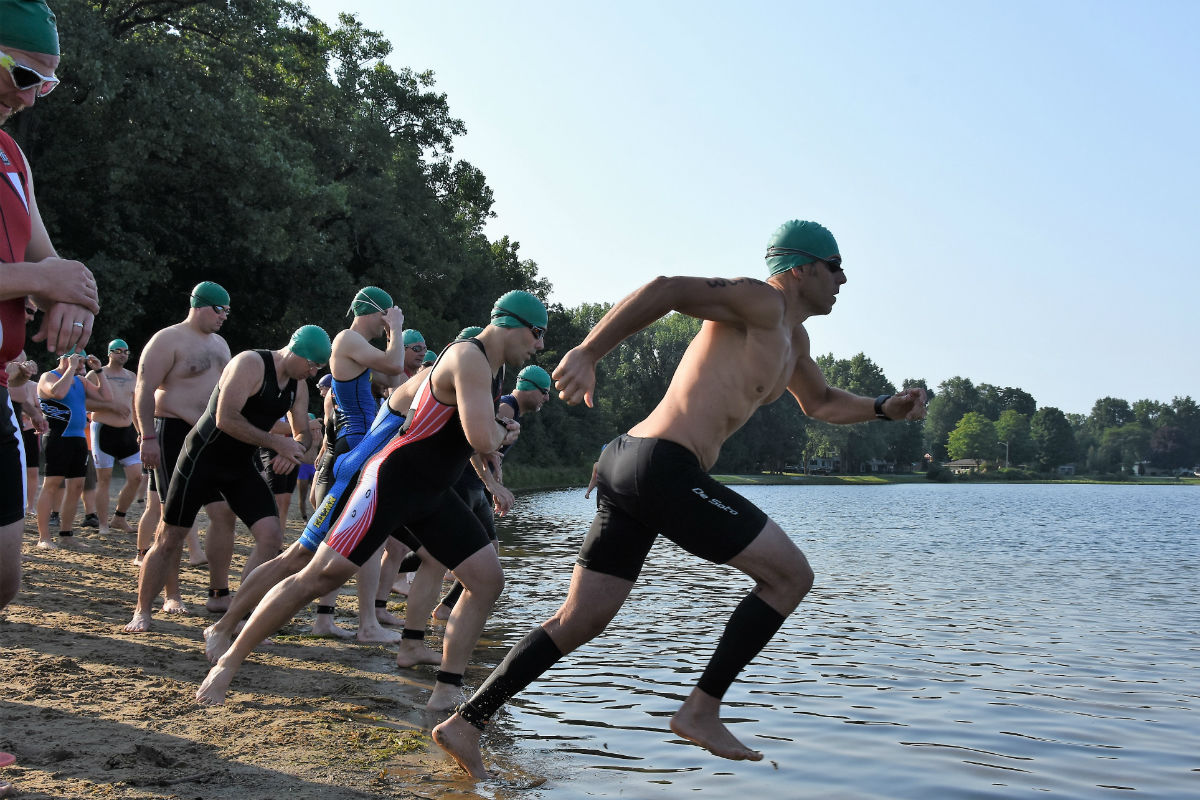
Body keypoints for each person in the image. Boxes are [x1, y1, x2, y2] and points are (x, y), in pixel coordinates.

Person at [433, 220, 929, 779]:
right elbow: (668, 288)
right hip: (661, 467)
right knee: (790, 576)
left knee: (579, 618)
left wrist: (886, 407)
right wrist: (589, 350)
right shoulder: (760, 301)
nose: (843, 280)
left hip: (634, 462)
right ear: (802, 267)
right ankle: (701, 709)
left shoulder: (794, 340)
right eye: (836, 267)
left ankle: (466, 722)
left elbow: (819, 403)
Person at [197, 291, 547, 709]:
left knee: (488, 580)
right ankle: (228, 660)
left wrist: (491, 447)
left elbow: (469, 436)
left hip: (433, 492)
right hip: (387, 483)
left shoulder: (494, 370)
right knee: (315, 575)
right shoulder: (466, 357)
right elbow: (481, 435)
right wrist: (501, 433)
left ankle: (446, 692)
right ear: (511, 323)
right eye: (538, 333)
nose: (539, 346)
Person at [124, 325, 328, 632]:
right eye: (311, 366)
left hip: (239, 465)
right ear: (296, 351)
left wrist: (293, 450)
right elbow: (226, 417)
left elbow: (302, 431)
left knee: (271, 537)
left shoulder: (296, 385)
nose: (312, 374)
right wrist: (275, 443)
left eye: (318, 369)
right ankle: (142, 611)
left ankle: (239, 616)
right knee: (170, 537)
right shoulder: (250, 363)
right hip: (201, 458)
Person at [1, 0, 100, 626]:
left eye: (49, 82)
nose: (35, 98)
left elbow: (51, 261)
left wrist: (67, 293)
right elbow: (42, 270)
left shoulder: (11, 156)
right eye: (26, 77)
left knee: (4, 579)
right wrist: (44, 279)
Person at [131, 281, 237, 615]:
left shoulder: (220, 344)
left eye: (228, 312)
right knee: (174, 520)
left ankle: (219, 592)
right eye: (221, 311)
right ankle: (171, 594)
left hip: (210, 437)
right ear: (202, 305)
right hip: (173, 433)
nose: (224, 318)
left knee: (223, 512)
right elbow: (145, 388)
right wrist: (147, 436)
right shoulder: (168, 339)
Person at [423, 364, 551, 625]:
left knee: (488, 550)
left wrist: (495, 481)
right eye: (545, 391)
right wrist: (491, 484)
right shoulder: (505, 407)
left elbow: (491, 454)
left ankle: (446, 607)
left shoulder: (511, 411)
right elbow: (473, 445)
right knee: (451, 553)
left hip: (475, 487)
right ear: (529, 387)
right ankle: (390, 578)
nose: (547, 398)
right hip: (463, 483)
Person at [36, 350, 110, 548]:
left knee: (76, 487)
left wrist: (99, 371)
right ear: (65, 359)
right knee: (51, 485)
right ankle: (44, 538)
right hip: (57, 438)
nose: (81, 363)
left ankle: (67, 535)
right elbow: (57, 393)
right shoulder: (49, 376)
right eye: (77, 359)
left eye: (82, 360)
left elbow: (106, 396)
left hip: (78, 439)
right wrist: (69, 368)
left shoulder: (80, 381)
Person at [87, 338, 142, 533]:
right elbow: (85, 404)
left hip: (126, 432)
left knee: (137, 477)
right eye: (117, 351)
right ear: (109, 353)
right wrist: (111, 407)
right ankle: (103, 524)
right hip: (104, 430)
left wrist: (140, 430)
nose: (122, 354)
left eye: (125, 351)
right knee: (105, 479)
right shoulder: (96, 374)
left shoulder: (132, 376)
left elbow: (134, 406)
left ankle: (119, 517)